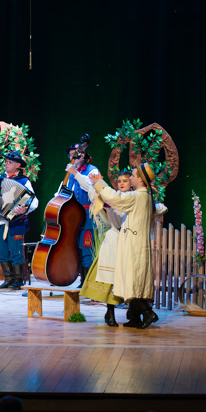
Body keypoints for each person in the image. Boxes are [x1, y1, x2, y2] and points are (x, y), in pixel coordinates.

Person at [88, 163, 160, 328]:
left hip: (133, 245)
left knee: (131, 281)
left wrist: (100, 182)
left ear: (140, 180)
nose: (131, 178)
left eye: (133, 176)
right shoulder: (146, 196)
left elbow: (115, 199)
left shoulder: (137, 196)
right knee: (136, 281)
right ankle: (135, 317)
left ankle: (149, 313)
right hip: (138, 243)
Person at [0, 151, 38, 289]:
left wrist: (24, 209)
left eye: (9, 162)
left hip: (16, 221)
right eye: (6, 161)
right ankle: (9, 279)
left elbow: (33, 201)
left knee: (16, 251)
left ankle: (18, 280)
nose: (6, 164)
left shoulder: (24, 181)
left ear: (17, 165)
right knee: (3, 251)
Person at [79, 170, 132, 326]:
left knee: (128, 277)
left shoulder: (134, 198)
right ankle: (110, 312)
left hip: (129, 240)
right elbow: (94, 192)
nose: (122, 183)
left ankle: (133, 309)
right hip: (115, 238)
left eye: (125, 181)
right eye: (120, 181)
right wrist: (92, 182)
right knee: (110, 278)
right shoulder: (112, 196)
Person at [62, 140, 99, 286]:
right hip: (73, 217)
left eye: (75, 155)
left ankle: (88, 282)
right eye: (71, 156)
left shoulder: (92, 170)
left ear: (83, 155)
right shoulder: (71, 174)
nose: (73, 159)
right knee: (75, 248)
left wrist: (75, 174)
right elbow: (64, 191)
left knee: (86, 248)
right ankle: (80, 280)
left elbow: (91, 188)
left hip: (87, 216)